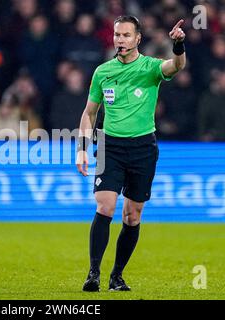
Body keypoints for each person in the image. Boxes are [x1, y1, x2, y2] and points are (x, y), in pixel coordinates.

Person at [76, 15, 186, 292]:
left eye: (126, 35)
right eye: (117, 35)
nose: (120, 40)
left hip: (142, 149)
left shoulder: (150, 68)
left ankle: (117, 276)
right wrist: (81, 150)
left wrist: (178, 46)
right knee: (105, 206)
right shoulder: (102, 72)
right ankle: (93, 274)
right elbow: (89, 113)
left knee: (132, 216)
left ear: (138, 39)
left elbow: (177, 66)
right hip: (109, 146)